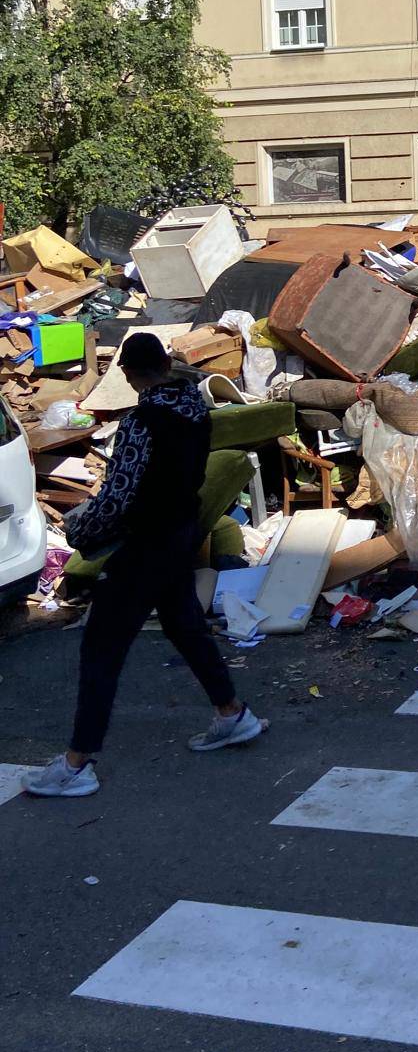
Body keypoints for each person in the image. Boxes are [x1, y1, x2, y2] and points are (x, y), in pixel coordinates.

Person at [22, 334, 263, 799]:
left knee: (101, 650)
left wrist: (81, 529)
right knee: (185, 626)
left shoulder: (141, 422)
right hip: (180, 535)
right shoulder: (193, 407)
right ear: (165, 364)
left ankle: (77, 764)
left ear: (130, 375)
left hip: (146, 544)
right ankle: (232, 714)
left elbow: (119, 496)